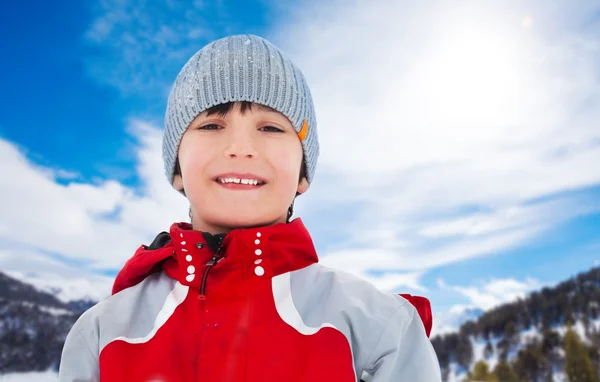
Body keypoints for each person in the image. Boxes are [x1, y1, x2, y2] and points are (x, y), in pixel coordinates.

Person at [58, 34, 442, 381]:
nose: (241, 148)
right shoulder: (103, 334)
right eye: (211, 126)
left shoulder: (377, 329)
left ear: (302, 174)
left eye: (271, 128)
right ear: (176, 169)